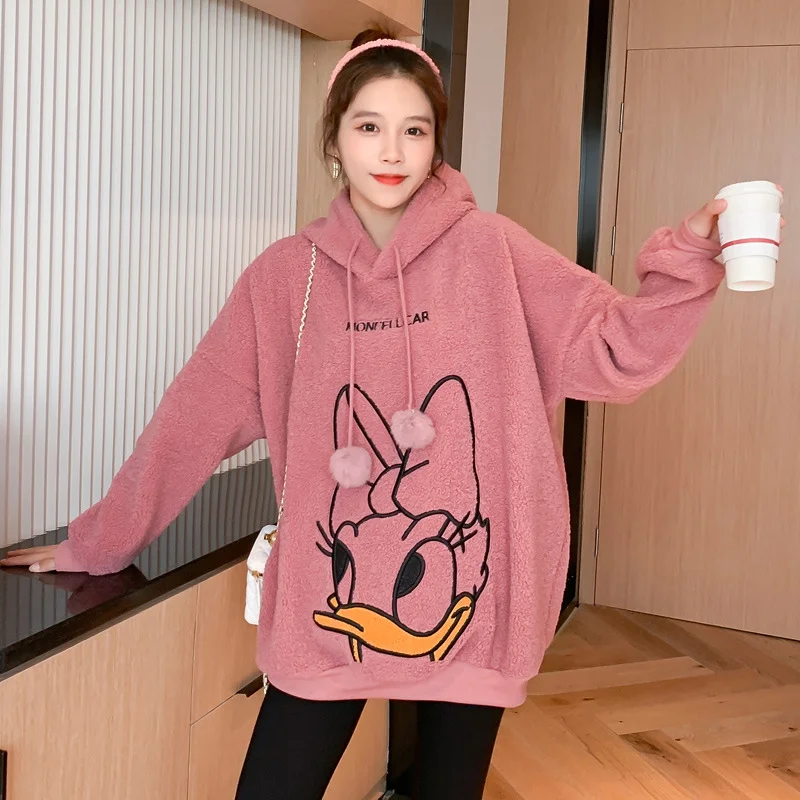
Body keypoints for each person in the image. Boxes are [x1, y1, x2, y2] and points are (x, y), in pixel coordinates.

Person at [1, 25, 787, 800]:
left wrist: (687, 257)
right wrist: (99, 541)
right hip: (329, 599)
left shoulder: (494, 253)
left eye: (413, 130)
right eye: (368, 126)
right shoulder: (285, 279)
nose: (391, 150)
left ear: (436, 144)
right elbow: (192, 419)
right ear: (334, 140)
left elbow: (616, 351)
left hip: (474, 594)